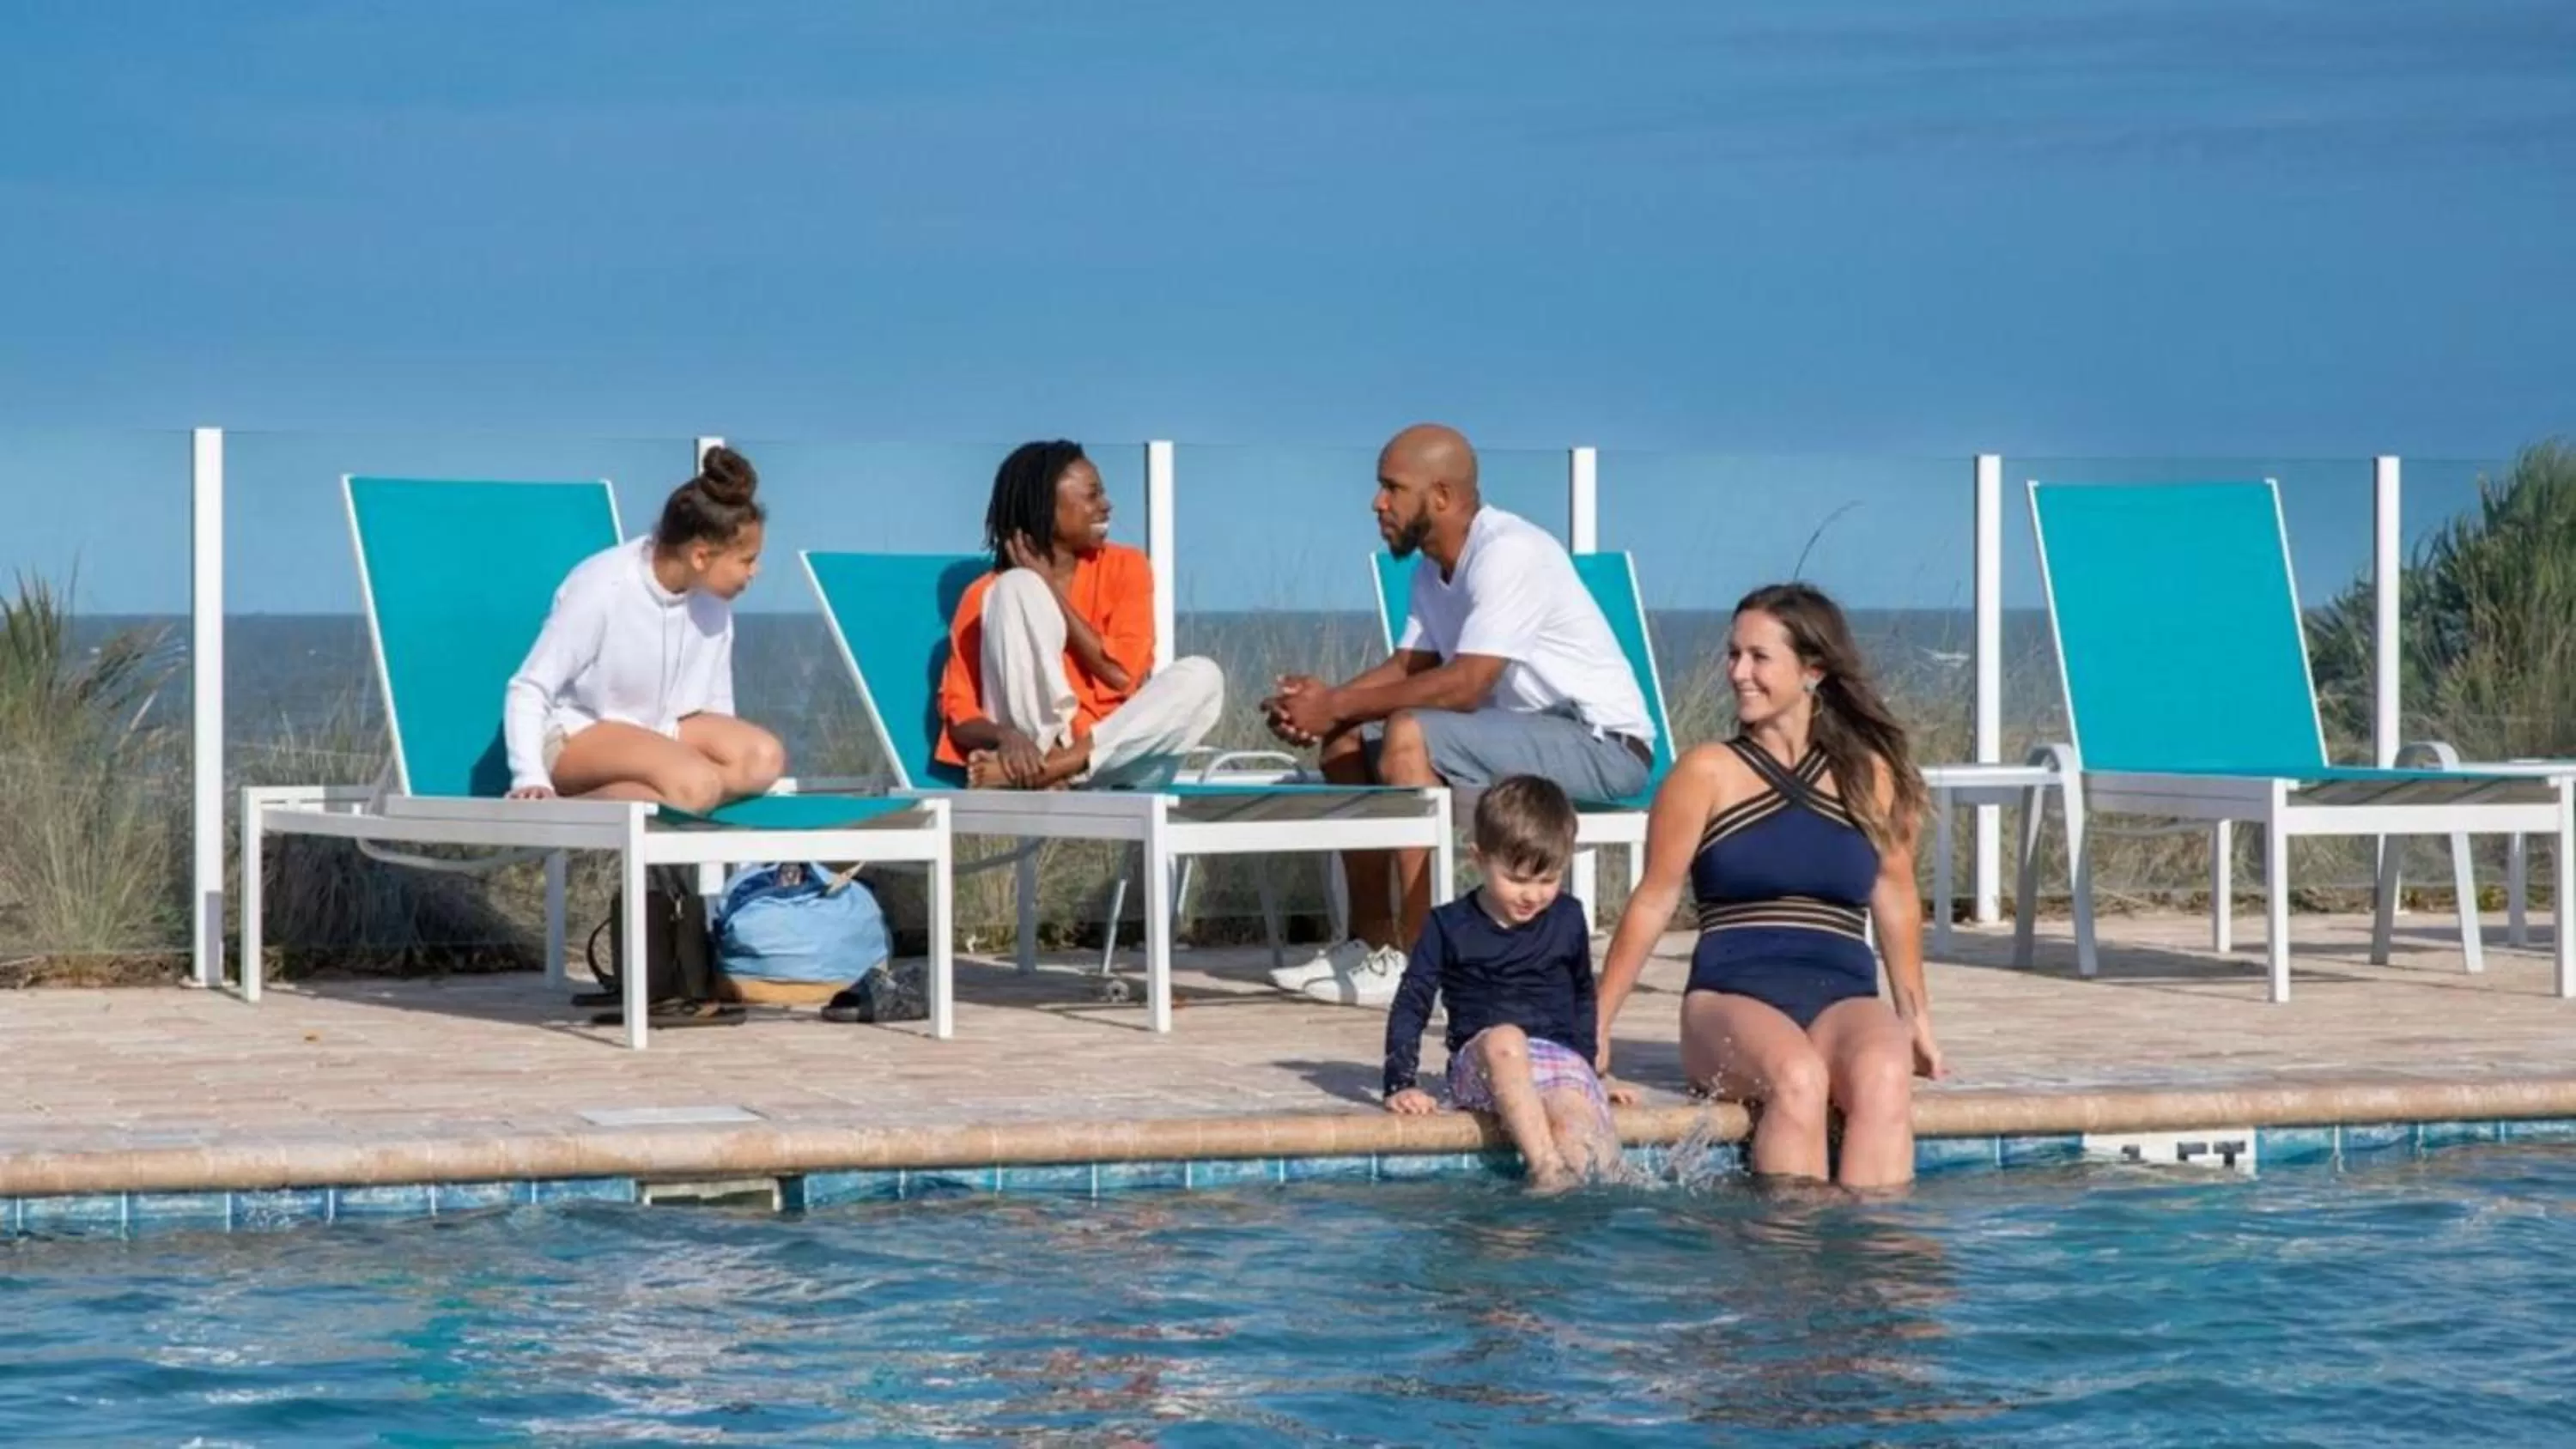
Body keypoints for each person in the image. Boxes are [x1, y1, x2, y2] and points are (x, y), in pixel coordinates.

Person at [1261, 422, 1655, 1006]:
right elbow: (1409, 667)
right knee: (1345, 740)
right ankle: (1372, 940)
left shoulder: (1508, 553)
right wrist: (1320, 711)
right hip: (1515, 739)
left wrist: (1334, 703)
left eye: (1392, 488)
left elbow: (1467, 685)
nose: (1377, 503)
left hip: (1600, 746)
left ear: (1441, 496)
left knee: (1409, 731)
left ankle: (1420, 959)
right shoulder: (1431, 569)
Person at [1593, 582, 1946, 1191]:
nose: (1738, 672)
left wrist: (1915, 1017)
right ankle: (1790, 1246)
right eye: (1734, 654)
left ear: (1812, 671)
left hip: (1844, 997)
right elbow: (1654, 900)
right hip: (1729, 1000)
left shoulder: (1872, 777)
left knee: (1885, 1077)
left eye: (1758, 657)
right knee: (1798, 1078)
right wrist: (1596, 1024)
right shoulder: (1706, 772)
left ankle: (1876, 1247)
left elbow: (1896, 897)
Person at [1382, 775, 1640, 1191]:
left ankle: (1593, 1205)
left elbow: (1581, 996)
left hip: (1556, 1059)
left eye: (1548, 880)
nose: (1533, 895)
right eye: (1517, 880)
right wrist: (1401, 1084)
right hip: (1484, 1064)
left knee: (1575, 1122)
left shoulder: (1568, 917)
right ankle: (1546, 1169)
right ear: (1478, 858)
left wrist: (1591, 1074)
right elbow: (1413, 1001)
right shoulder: (1449, 925)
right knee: (1507, 1040)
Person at [502, 445, 786, 812]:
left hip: (660, 733)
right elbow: (529, 687)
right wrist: (529, 777)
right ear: (700, 556)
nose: (755, 571)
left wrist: (709, 766)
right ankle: (567, 811)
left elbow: (716, 705)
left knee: (762, 759)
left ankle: (674, 796)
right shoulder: (604, 586)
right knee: (695, 784)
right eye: (747, 560)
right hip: (578, 733)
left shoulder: (711, 599)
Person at [936, 440, 1224, 790]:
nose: (1106, 505)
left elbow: (1121, 675)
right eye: (1092, 495)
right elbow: (960, 715)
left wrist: (1051, 589)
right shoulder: (989, 594)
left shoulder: (1127, 566)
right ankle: (1048, 758)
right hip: (1027, 753)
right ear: (1046, 508)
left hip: (1118, 756)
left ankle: (1059, 767)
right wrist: (1006, 737)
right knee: (1016, 586)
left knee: (1203, 675)